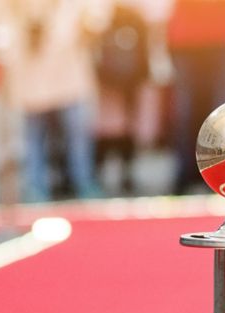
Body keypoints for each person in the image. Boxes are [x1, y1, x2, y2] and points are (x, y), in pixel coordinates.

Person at [7, 0, 110, 202]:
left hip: (68, 68)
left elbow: (95, 14)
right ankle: (36, 187)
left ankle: (83, 182)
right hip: (31, 69)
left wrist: (91, 23)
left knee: (77, 132)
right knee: (34, 134)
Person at [165, 0, 225, 195]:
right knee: (190, 110)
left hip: (211, 35)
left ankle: (212, 172)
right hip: (193, 37)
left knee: (216, 112)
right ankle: (192, 172)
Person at [94, 2, 151, 195]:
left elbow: (144, 46)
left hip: (125, 77)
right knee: (108, 126)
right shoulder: (102, 15)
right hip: (110, 79)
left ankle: (126, 172)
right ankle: (108, 172)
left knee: (126, 125)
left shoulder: (135, 17)